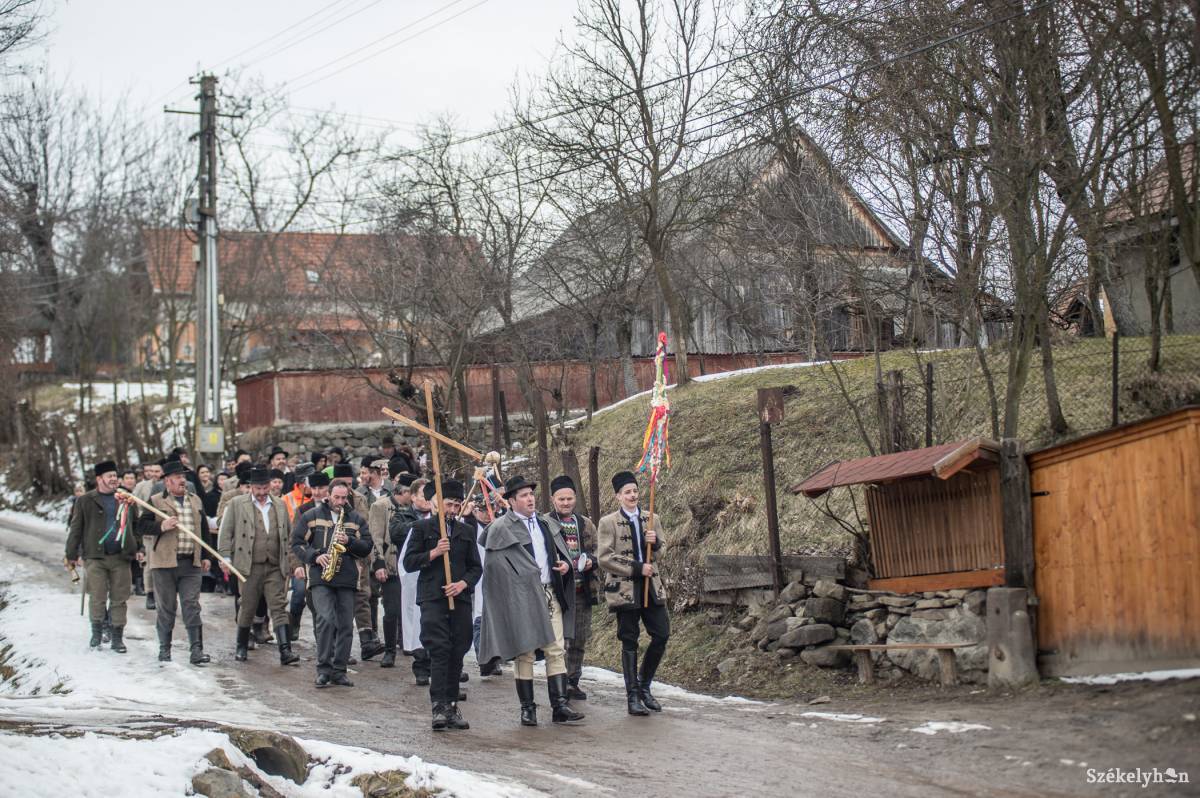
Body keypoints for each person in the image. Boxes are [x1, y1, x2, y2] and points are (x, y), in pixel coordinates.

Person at [479, 475, 583, 727]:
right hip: (521, 597)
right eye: (524, 495)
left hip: (549, 593)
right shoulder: (501, 528)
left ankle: (559, 706)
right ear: (512, 501)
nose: (530, 499)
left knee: (556, 649)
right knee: (525, 652)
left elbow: (558, 554)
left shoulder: (545, 524)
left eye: (531, 494)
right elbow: (494, 568)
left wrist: (564, 565)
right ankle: (528, 709)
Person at [401, 479, 481, 731]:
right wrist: (433, 553)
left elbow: (475, 567)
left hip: (459, 598)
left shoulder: (466, 531)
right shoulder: (421, 528)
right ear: (438, 504)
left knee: (458, 649)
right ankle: (438, 705)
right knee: (440, 649)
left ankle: (451, 705)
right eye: (449, 503)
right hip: (433, 598)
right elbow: (409, 562)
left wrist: (462, 584)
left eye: (457, 504)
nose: (453, 509)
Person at [597, 470, 670, 715]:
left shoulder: (652, 519)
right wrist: (638, 568)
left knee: (661, 634)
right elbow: (605, 557)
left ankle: (644, 685)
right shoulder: (608, 523)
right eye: (627, 492)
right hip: (626, 589)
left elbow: (662, 553)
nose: (633, 495)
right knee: (629, 639)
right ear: (618, 496)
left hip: (652, 587)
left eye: (635, 491)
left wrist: (656, 543)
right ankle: (632, 697)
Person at [292, 482, 373, 687]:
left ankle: (339, 670)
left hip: (347, 578)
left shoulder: (355, 519)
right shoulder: (312, 516)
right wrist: (314, 556)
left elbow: (366, 547)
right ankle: (323, 669)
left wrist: (349, 541)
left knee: (346, 625)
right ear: (328, 495)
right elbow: (297, 543)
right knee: (326, 619)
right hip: (321, 576)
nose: (340, 502)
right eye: (336, 497)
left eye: (343, 498)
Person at [217, 467, 299, 666]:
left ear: (270, 486)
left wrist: (291, 562)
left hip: (274, 565)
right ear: (251, 487)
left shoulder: (279, 505)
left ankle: (285, 650)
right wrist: (225, 558)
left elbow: (288, 537)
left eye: (265, 488)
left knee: (278, 606)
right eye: (258, 488)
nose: (262, 493)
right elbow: (225, 533)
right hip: (249, 565)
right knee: (248, 606)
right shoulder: (236, 504)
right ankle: (241, 646)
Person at [136, 459, 212, 665]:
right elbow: (141, 526)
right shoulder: (155, 501)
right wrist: (161, 526)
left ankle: (196, 650)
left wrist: (206, 556)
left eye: (184, 477)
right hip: (164, 564)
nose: (182, 481)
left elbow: (204, 530)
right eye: (178, 478)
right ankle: (164, 649)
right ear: (167, 482)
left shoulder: (195, 500)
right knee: (166, 607)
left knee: (191, 605)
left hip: (191, 563)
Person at [65, 460, 142, 653]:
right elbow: (76, 528)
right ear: (99, 479)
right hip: (95, 557)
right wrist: (71, 554)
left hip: (121, 556)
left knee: (119, 598)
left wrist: (138, 547)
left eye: (115, 476)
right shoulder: (85, 501)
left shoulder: (126, 498)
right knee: (97, 597)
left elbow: (135, 526)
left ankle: (117, 637)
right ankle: (97, 633)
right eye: (110, 476)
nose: (114, 479)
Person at [549, 475, 599, 700]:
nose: (566, 503)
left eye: (570, 498)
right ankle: (558, 681)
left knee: (579, 638)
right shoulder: (545, 523)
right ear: (553, 500)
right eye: (561, 499)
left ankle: (572, 681)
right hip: (557, 591)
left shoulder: (586, 524)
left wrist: (591, 560)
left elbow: (599, 551)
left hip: (582, 589)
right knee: (559, 640)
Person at [369, 467, 416, 668]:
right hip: (391, 565)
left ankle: (410, 642)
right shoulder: (381, 506)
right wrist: (378, 564)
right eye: (411, 494)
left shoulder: (415, 510)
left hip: (412, 565)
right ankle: (389, 650)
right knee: (392, 609)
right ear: (404, 492)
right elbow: (375, 536)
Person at [391, 476, 432, 685]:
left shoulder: (440, 518)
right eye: (424, 495)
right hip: (415, 577)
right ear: (413, 496)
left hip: (436, 577)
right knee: (416, 620)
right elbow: (396, 533)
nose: (428, 499)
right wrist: (423, 526)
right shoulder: (403, 516)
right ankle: (421, 664)